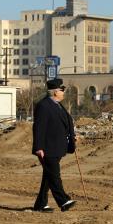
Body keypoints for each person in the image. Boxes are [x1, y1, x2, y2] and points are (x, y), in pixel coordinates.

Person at [32, 78, 77, 212]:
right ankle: (63, 201)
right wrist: (38, 147)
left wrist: (72, 136)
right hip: (47, 148)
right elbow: (39, 128)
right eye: (62, 90)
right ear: (55, 92)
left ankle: (40, 204)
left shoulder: (58, 105)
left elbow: (64, 123)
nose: (64, 92)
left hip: (57, 147)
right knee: (54, 175)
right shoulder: (44, 106)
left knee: (48, 176)